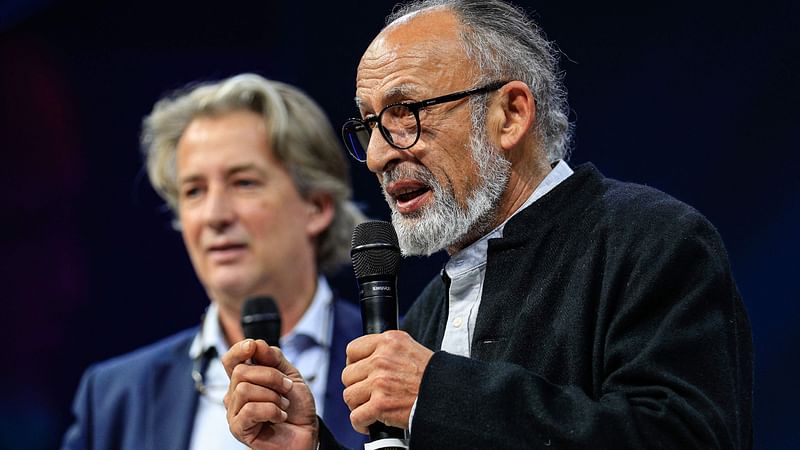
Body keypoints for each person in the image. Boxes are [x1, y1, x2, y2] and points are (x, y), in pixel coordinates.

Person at [222, 1, 753, 449]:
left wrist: (437, 394)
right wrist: (310, 444)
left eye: (406, 112)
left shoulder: (653, 240)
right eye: (370, 125)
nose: (381, 153)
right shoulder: (429, 308)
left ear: (510, 115)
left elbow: (684, 437)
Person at [61, 74, 367, 450]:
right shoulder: (115, 396)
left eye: (244, 183)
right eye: (194, 191)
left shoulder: (401, 353)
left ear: (316, 206)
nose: (214, 215)